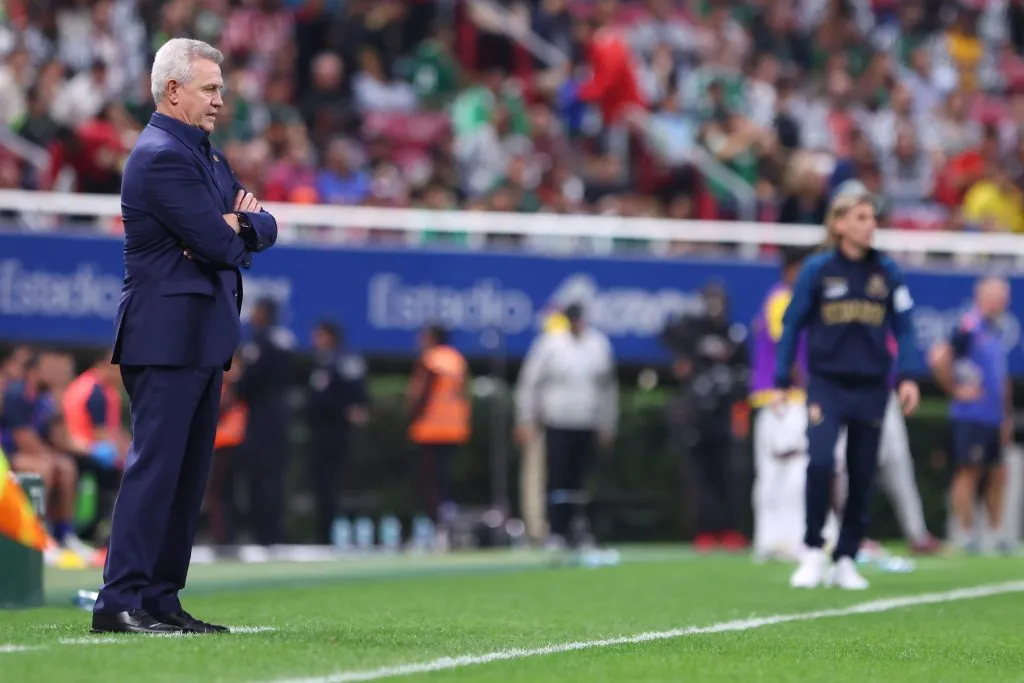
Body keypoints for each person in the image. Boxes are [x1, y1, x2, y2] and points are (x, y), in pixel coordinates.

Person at [92, 38, 277, 635]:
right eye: (210, 88)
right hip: (165, 334)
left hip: (200, 335)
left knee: (188, 475)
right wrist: (234, 224)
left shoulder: (210, 159)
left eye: (220, 88)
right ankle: (120, 599)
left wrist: (239, 222)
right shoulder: (160, 156)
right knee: (156, 470)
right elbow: (222, 242)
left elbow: (262, 225)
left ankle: (161, 598)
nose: (222, 99)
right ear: (174, 91)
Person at [775, 192, 922, 590]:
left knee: (861, 474)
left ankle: (846, 557)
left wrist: (908, 376)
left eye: (873, 217)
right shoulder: (818, 270)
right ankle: (811, 550)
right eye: (861, 217)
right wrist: (780, 380)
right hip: (827, 384)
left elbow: (905, 328)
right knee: (820, 462)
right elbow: (792, 324)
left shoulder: (887, 272)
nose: (870, 224)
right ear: (839, 224)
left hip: (871, 387)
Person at [515, 303, 618, 549]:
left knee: (580, 480)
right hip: (557, 421)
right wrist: (525, 418)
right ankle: (556, 531)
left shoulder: (598, 344)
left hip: (586, 422)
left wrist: (608, 423)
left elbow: (608, 389)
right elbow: (530, 383)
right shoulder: (550, 344)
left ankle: (579, 529)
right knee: (557, 477)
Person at [661, 283, 749, 551]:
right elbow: (668, 335)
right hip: (698, 416)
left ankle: (730, 528)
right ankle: (705, 529)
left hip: (724, 415)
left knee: (728, 475)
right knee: (700, 477)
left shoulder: (733, 334)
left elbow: (744, 375)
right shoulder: (693, 331)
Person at [928, 275, 1013, 553]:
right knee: (969, 472)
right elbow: (939, 356)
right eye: (999, 295)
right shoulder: (969, 326)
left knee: (998, 473)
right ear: (983, 297)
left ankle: (997, 533)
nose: (1004, 300)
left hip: (992, 415)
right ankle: (966, 534)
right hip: (971, 414)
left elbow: (1001, 378)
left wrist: (1006, 415)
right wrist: (955, 389)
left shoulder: (995, 329)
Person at [750, 246, 814, 561]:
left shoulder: (779, 299)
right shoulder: (783, 300)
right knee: (792, 466)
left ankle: (769, 539)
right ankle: (785, 538)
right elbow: (784, 348)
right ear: (792, 269)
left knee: (774, 470)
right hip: (786, 397)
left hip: (773, 397)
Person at [236, 298, 295, 550]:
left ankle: (263, 535)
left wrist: (238, 388)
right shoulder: (287, 338)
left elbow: (250, 379)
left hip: (262, 414)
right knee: (274, 476)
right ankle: (273, 531)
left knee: (260, 476)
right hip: (281, 412)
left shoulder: (260, 340)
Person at [406, 324, 471, 547]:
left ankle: (437, 527)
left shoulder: (430, 360)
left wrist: (411, 415)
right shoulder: (456, 359)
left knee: (429, 481)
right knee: (446, 480)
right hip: (453, 429)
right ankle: (447, 521)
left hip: (430, 429)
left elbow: (420, 394)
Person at [306, 319, 369, 545]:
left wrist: (345, 410)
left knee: (330, 483)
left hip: (332, 431)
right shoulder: (331, 360)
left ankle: (329, 535)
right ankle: (325, 533)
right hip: (327, 430)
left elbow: (352, 398)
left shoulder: (338, 360)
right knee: (325, 483)